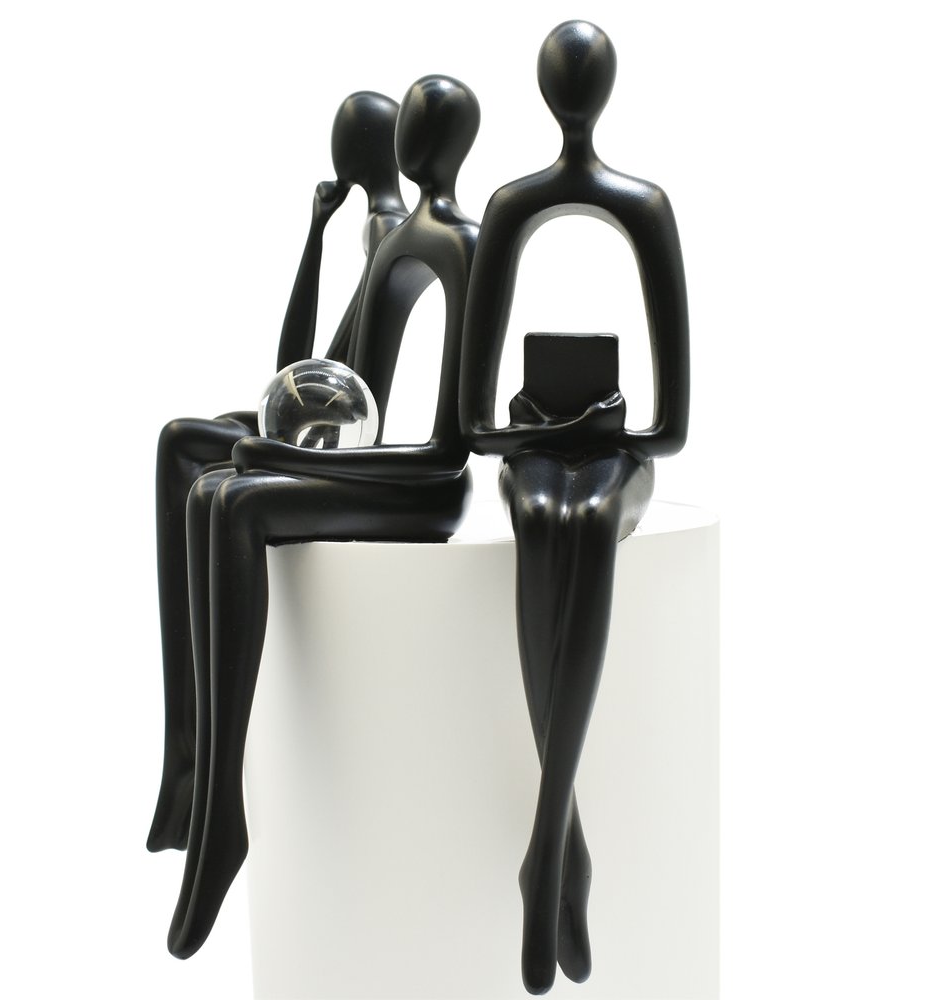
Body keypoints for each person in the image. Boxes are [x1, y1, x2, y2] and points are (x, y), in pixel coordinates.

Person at [168, 74, 482, 960]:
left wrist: (299, 460)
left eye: (416, 121)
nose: (402, 136)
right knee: (212, 488)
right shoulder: (401, 243)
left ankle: (222, 809)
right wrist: (289, 450)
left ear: (439, 140)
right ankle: (203, 779)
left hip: (430, 487)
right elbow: (318, 376)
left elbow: (448, 450)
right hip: (372, 457)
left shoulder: (465, 246)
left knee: (235, 498)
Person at [458, 21, 690, 994]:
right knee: (542, 518)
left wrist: (597, 429)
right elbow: (475, 426)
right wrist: (541, 432)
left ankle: (545, 850)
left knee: (587, 519)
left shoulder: (643, 206)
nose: (574, 90)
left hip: (613, 448)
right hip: (537, 442)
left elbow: (669, 430)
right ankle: (564, 849)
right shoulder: (512, 206)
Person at [146, 92, 408, 853]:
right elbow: (294, 365)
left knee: (186, 448)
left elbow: (355, 387)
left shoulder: (393, 233)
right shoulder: (371, 227)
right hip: (316, 426)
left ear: (361, 147)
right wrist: (314, 236)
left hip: (345, 447)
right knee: (183, 444)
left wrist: (288, 441)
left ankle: (192, 760)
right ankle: (187, 756)